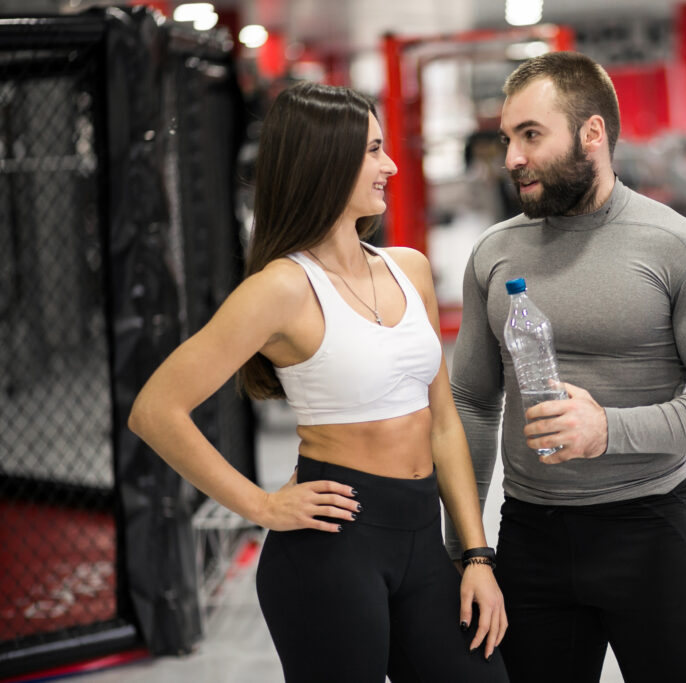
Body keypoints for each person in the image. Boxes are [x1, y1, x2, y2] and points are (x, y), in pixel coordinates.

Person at [128, 82, 508, 682]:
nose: (391, 166)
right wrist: (260, 504)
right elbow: (155, 409)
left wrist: (476, 554)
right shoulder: (280, 289)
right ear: (325, 161)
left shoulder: (408, 269)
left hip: (422, 541)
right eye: (374, 150)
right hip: (332, 548)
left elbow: (443, 424)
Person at [445, 52, 686, 682]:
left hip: (648, 532)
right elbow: (474, 401)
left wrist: (608, 430)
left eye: (530, 135)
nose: (511, 158)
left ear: (591, 133)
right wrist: (467, 550)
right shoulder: (494, 252)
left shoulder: (685, 248)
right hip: (529, 536)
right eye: (507, 139)